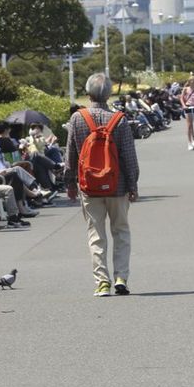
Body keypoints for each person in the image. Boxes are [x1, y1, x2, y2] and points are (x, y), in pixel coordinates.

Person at [65, 73, 140, 297]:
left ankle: (102, 281)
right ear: (109, 94)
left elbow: (71, 155)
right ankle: (121, 277)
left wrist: (70, 182)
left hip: (89, 187)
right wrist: (133, 184)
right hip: (117, 185)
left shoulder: (78, 119)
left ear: (88, 93)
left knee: (96, 234)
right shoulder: (120, 119)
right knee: (121, 231)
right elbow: (128, 156)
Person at [180, 77, 194, 151]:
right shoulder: (185, 89)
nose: (193, 82)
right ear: (189, 81)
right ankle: (189, 142)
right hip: (188, 107)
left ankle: (193, 139)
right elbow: (181, 98)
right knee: (189, 125)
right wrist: (184, 105)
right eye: (192, 81)